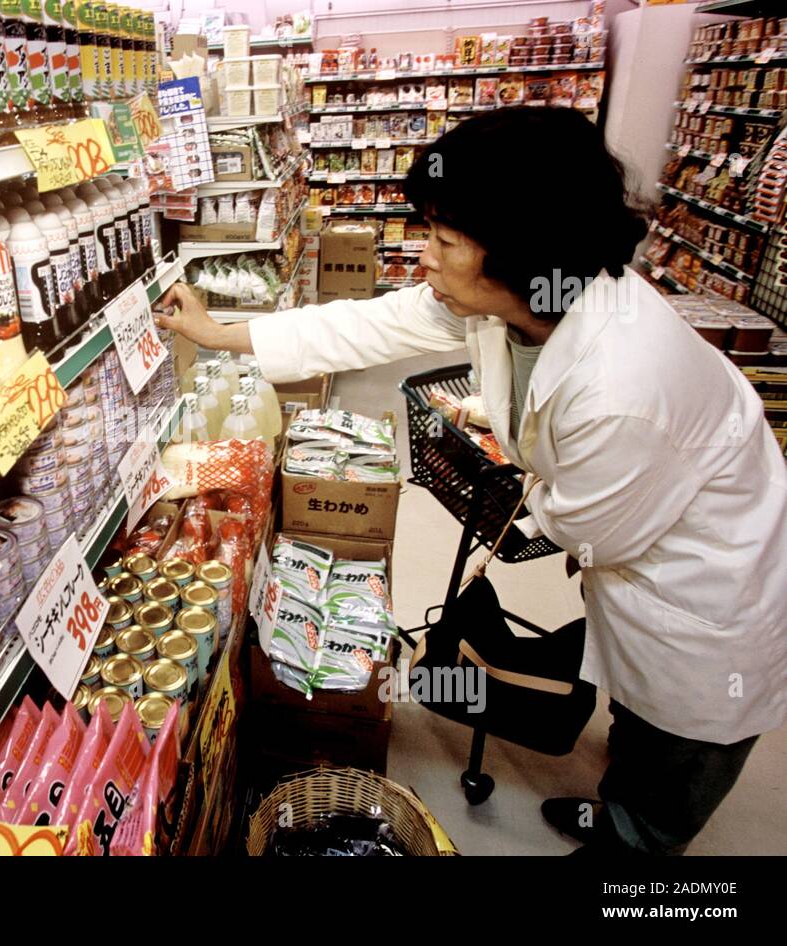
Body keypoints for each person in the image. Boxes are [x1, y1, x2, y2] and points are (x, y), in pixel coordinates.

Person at [155, 107, 787, 855]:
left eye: (444, 239)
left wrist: (529, 478)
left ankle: (630, 847)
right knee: (635, 726)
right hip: (642, 564)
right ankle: (619, 803)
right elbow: (370, 326)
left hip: (708, 604)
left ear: (520, 250)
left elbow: (586, 527)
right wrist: (218, 329)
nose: (423, 257)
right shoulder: (532, 301)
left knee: (671, 768)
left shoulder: (626, 385)